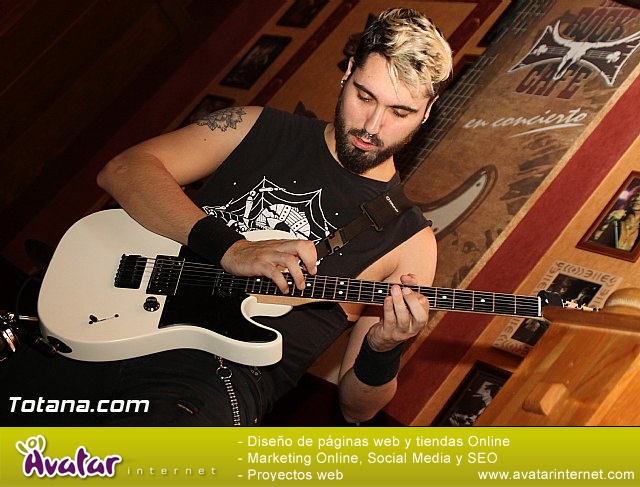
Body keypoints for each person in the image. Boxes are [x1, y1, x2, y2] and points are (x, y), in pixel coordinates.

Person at [6, 8, 453, 426]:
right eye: (364, 96)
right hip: (101, 328)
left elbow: (356, 409)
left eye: (400, 112)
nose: (372, 126)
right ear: (349, 70)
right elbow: (123, 171)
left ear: (427, 111)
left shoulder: (409, 240)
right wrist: (232, 250)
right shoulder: (255, 126)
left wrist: (382, 348)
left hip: (208, 384)